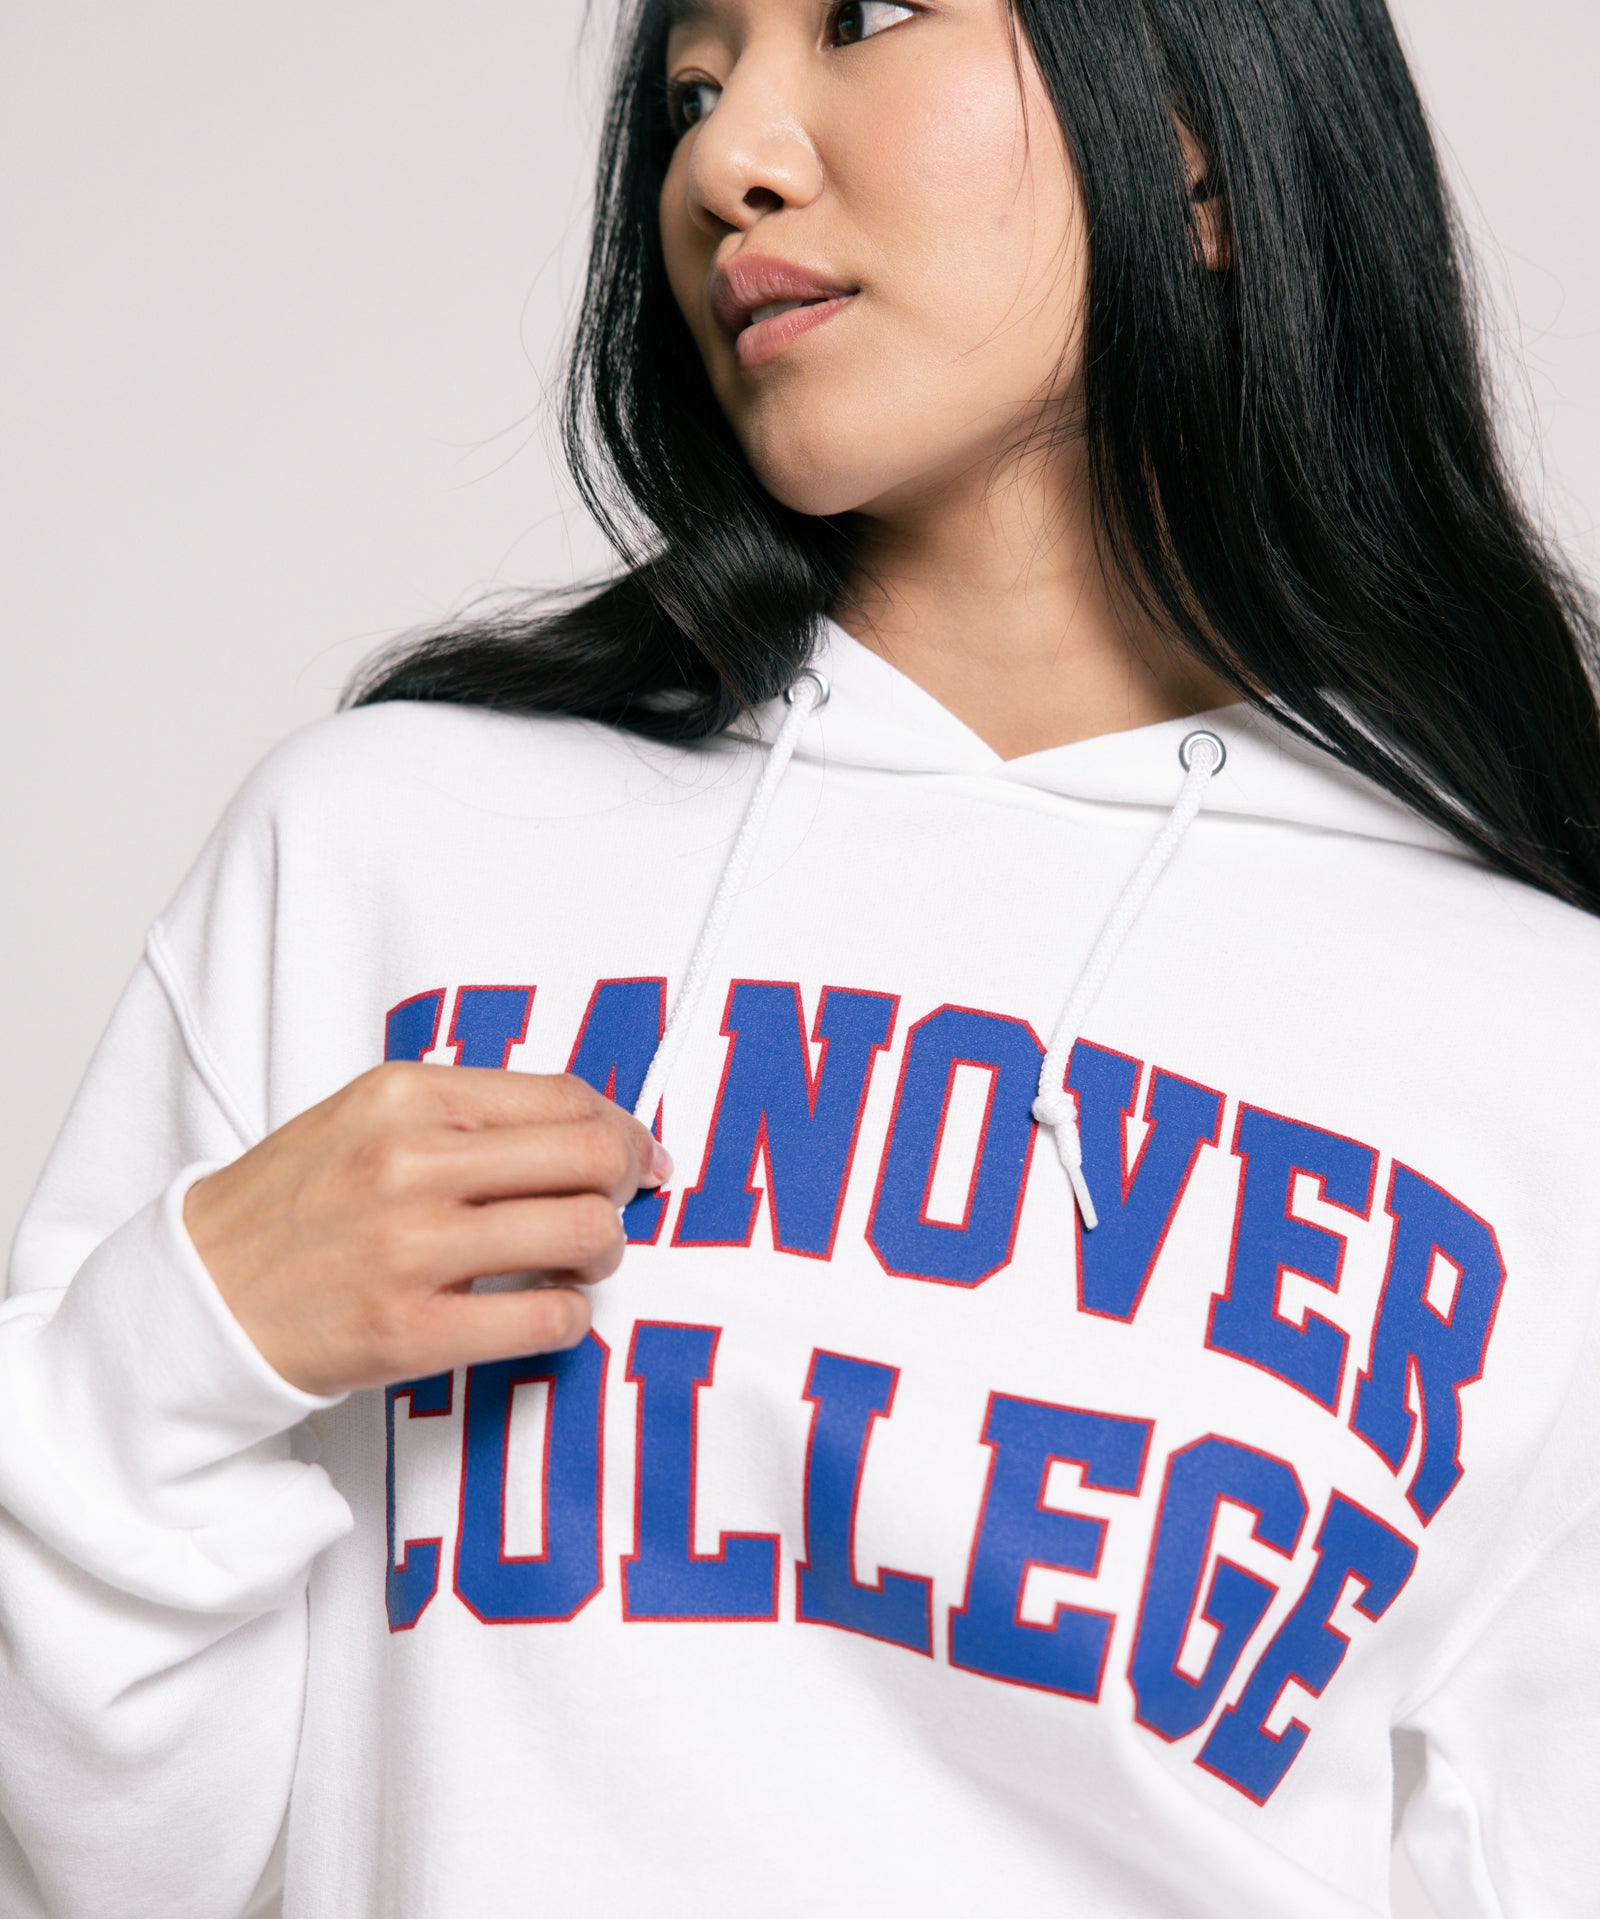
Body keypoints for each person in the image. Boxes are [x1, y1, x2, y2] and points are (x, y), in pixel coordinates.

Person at [3, 0, 1597, 1913]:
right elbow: (117, 1866)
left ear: (1198, 145)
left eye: (868, 17)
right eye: (693, 87)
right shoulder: (386, 854)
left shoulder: (1540, 1049)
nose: (726, 158)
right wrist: (180, 1343)